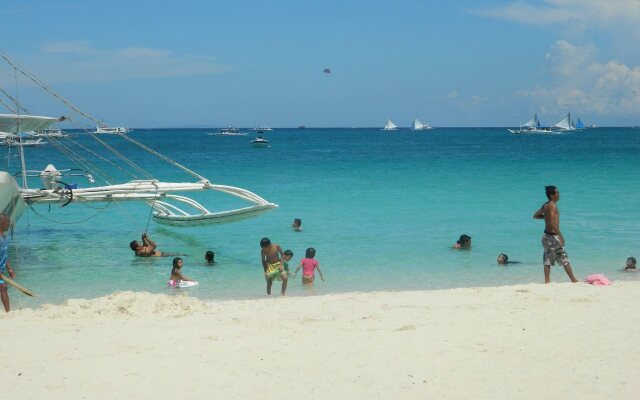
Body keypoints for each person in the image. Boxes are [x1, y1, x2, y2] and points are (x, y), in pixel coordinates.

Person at [533, 185, 578, 283]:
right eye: (557, 193)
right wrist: (561, 236)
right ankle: (573, 280)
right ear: (552, 195)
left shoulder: (545, 205)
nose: (559, 194)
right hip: (553, 236)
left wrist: (546, 218)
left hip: (546, 235)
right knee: (563, 257)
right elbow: (553, 224)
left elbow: (535, 216)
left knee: (547, 259)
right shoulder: (553, 205)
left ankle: (547, 281)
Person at [0, 214, 15, 312]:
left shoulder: (4, 236)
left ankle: (8, 311)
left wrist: (9, 268)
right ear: (2, 223)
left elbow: (5, 254)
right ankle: (8, 312)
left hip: (2, 270)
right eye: (8, 223)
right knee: (3, 287)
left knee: (3, 288)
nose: (9, 225)